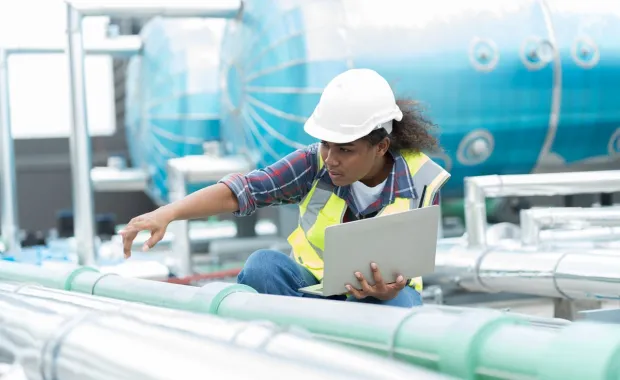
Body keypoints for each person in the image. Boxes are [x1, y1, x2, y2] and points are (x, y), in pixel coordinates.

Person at [120, 68, 450, 308]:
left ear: (381, 147)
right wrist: (169, 213)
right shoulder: (313, 164)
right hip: (312, 292)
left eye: (345, 150)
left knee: (399, 309)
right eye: (326, 144)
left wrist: (386, 290)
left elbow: (406, 271)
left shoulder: (421, 181)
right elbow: (245, 190)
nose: (331, 159)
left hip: (386, 299)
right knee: (263, 266)